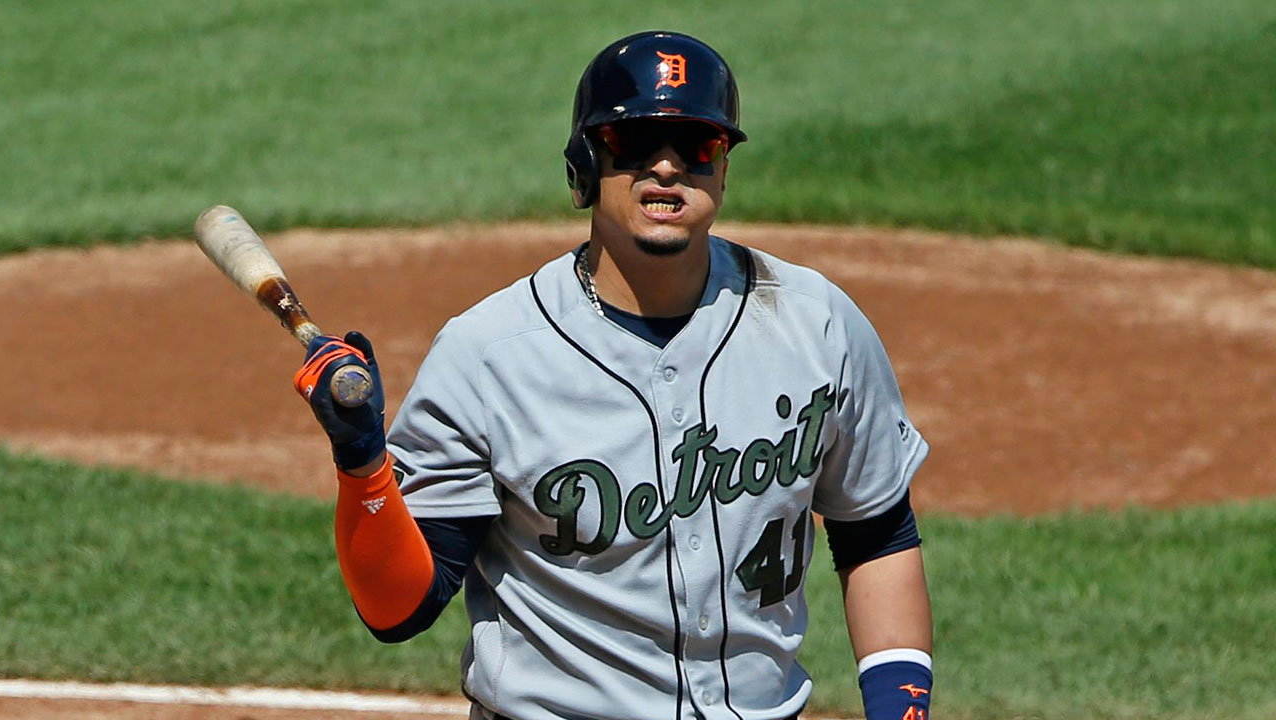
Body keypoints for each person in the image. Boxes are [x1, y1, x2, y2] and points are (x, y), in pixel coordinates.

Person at [294, 30, 933, 720]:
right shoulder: (489, 356)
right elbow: (400, 610)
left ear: (722, 165)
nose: (666, 167)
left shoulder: (818, 324)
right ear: (584, 165)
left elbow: (876, 534)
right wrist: (362, 462)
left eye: (697, 144)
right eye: (633, 144)